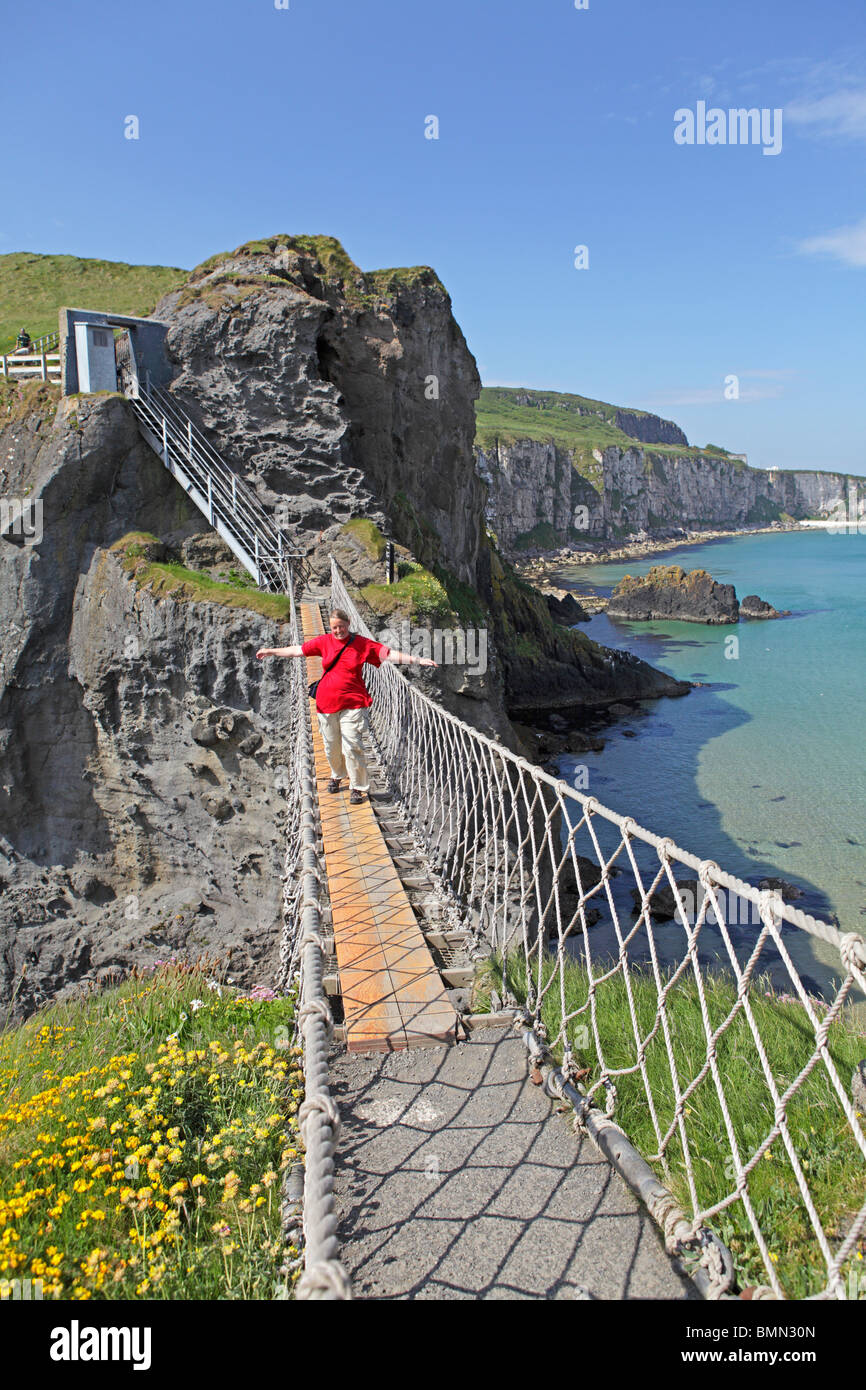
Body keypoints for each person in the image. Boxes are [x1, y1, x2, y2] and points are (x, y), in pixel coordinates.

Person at [257, 607, 436, 804]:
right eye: (334, 628)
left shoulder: (361, 644)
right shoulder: (324, 642)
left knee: (352, 746)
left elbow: (388, 654)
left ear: (348, 624)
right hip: (326, 704)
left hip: (353, 703)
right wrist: (271, 651)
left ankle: (358, 788)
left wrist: (417, 660)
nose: (338, 631)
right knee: (331, 746)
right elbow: (298, 650)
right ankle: (337, 774)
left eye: (341, 626)